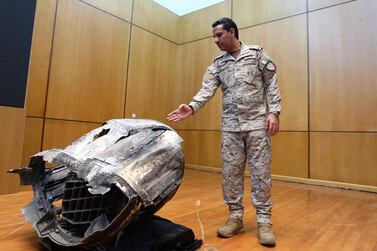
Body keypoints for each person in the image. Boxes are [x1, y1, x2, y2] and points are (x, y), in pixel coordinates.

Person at [166, 17, 281, 246]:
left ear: (231, 32)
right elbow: (206, 90)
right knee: (230, 173)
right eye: (214, 36)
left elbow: (271, 83)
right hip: (231, 127)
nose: (215, 40)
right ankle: (235, 217)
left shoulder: (256, 54)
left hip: (258, 124)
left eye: (219, 35)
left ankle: (264, 220)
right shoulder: (218, 64)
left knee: (260, 173)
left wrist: (274, 112)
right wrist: (191, 107)